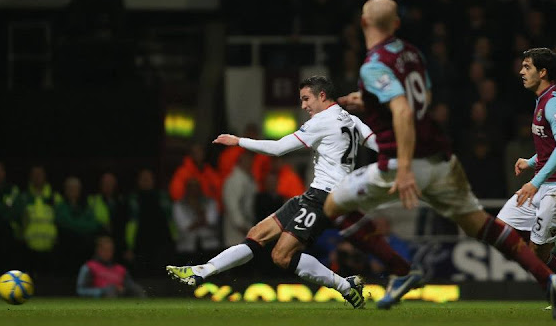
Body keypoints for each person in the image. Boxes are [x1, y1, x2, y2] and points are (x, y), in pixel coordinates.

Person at [323, 0, 556, 319]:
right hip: (442, 162)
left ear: (363, 23)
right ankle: (550, 279)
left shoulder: (372, 65)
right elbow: (421, 99)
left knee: (333, 206)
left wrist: (405, 169)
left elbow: (401, 110)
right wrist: (372, 102)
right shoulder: (412, 54)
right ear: (396, 24)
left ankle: (401, 270)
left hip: (402, 164)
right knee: (482, 225)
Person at [167, 76, 409, 309]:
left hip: (324, 198)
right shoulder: (352, 120)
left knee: (281, 256)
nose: (303, 106)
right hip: (316, 195)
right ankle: (201, 271)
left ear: (322, 95)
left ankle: (345, 286)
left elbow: (278, 148)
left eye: (306, 99)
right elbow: (380, 144)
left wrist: (239, 141)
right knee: (257, 233)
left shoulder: (321, 121)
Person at [496, 48, 556, 310]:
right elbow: (552, 144)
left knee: (536, 255)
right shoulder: (542, 99)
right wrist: (531, 161)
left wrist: (535, 180)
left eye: (527, 67)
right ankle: (552, 243)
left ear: (542, 72)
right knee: (501, 229)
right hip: (545, 184)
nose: (521, 72)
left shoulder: (554, 102)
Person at [77, 236, 146, 298]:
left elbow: (131, 286)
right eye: (104, 250)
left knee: (137, 290)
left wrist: (123, 290)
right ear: (98, 250)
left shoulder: (120, 269)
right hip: (99, 301)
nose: (107, 253)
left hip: (120, 299)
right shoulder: (89, 267)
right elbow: (81, 290)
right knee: (110, 290)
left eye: (110, 250)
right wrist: (103, 291)